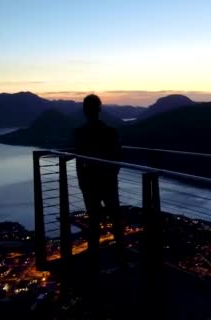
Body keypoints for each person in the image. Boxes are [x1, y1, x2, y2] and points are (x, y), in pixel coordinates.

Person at [74, 94, 125, 272]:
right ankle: (122, 257)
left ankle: (93, 261)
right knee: (115, 219)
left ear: (85, 110)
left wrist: (82, 182)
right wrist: (112, 175)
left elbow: (79, 161)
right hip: (108, 181)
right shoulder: (110, 131)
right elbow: (117, 157)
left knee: (94, 222)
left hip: (90, 183)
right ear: (100, 109)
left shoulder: (80, 133)